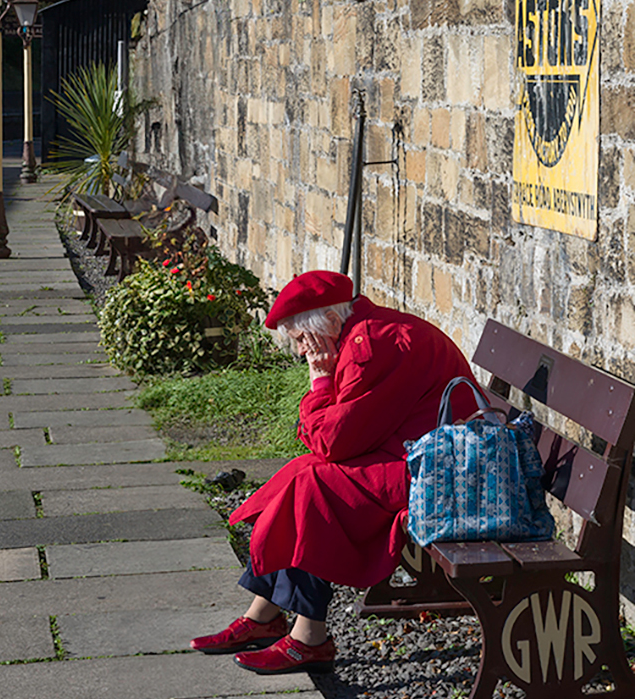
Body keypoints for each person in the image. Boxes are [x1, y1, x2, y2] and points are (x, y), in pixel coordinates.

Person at [189, 270, 477, 674]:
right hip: (419, 456)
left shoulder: (369, 346)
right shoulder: (364, 330)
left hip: (439, 474)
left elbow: (335, 441)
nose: (303, 351)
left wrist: (320, 382)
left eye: (301, 339)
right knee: (300, 476)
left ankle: (310, 637)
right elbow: (336, 437)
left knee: (312, 488)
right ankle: (263, 616)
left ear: (322, 323)